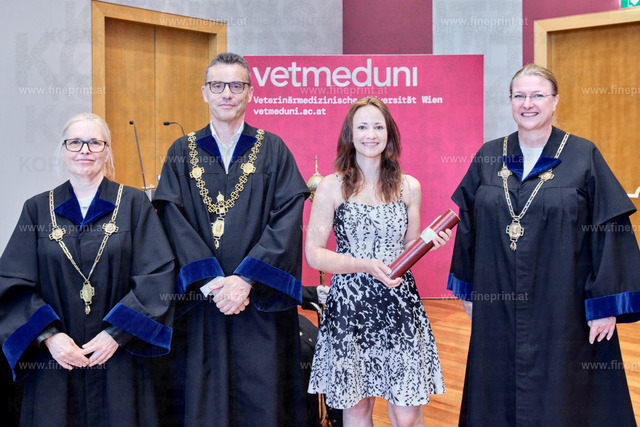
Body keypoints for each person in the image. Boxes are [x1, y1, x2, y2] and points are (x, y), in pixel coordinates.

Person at [448, 64, 640, 426]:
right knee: (499, 380)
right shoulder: (490, 155)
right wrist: (469, 288)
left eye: (538, 95)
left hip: (564, 301)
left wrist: (605, 304)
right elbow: (469, 223)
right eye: (519, 96)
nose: (528, 104)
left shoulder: (583, 155)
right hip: (500, 299)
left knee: (563, 388)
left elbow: (610, 229)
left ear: (555, 101)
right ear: (510, 101)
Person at [153, 52, 310, 426]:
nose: (227, 93)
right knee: (202, 391)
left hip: (258, 298)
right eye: (218, 85)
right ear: (204, 92)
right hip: (202, 300)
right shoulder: (181, 152)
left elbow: (287, 220)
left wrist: (246, 279)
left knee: (262, 392)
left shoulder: (273, 149)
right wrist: (211, 281)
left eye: (236, 85)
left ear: (250, 93)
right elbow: (172, 219)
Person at [0, 113, 175, 426]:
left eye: (95, 142)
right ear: (63, 150)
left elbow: (157, 277)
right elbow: (13, 283)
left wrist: (116, 333)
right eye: (75, 142)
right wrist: (49, 336)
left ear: (107, 151)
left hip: (118, 355)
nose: (85, 150)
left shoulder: (134, 204)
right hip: (55, 361)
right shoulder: (37, 208)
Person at [306, 96, 450, 426]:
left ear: (389, 134)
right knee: (356, 408)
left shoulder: (409, 186)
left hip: (398, 303)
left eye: (378, 127)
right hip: (350, 306)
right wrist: (365, 264)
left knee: (407, 410)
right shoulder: (331, 186)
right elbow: (314, 253)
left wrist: (429, 243)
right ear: (350, 134)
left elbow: (409, 245)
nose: (370, 134)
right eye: (362, 127)